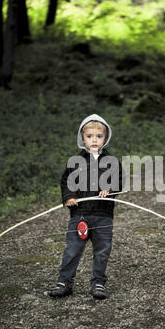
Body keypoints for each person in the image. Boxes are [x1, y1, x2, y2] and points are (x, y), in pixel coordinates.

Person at [48, 114, 124, 300]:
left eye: (99, 136)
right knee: (72, 249)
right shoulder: (75, 161)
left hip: (102, 214)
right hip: (79, 214)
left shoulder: (112, 162)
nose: (94, 140)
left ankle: (98, 282)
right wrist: (69, 197)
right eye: (90, 136)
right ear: (83, 138)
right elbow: (66, 181)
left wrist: (110, 189)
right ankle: (64, 282)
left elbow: (119, 181)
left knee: (102, 250)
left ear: (105, 138)